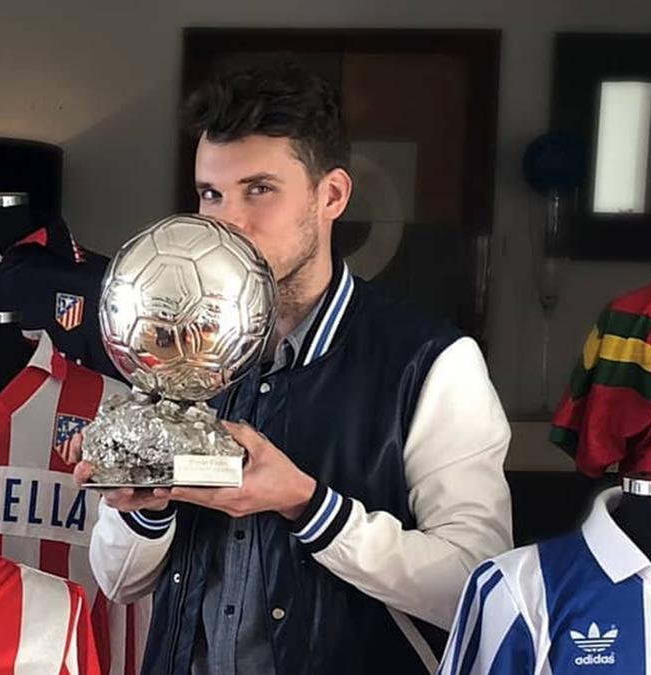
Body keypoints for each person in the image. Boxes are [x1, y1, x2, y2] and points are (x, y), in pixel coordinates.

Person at [74, 61, 513, 675]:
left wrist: (308, 505)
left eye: (259, 189)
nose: (228, 221)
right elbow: (120, 582)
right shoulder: (172, 352)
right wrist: (148, 504)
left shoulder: (433, 363)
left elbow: (477, 586)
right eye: (211, 194)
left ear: (331, 195)